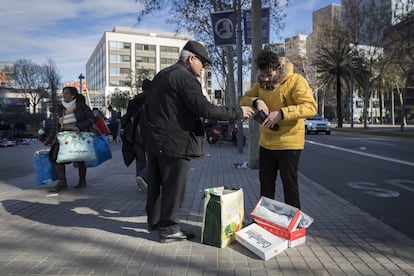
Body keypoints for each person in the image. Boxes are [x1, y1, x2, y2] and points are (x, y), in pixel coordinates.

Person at [140, 40, 254, 243]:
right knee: (174, 185)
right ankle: (169, 229)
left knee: (156, 182)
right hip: (175, 141)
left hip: (154, 139)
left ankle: (155, 222)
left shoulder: (163, 74)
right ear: (191, 58)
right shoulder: (185, 78)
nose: (204, 68)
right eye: (202, 63)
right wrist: (238, 112)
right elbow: (205, 109)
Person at [240, 50, 317, 209]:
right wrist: (256, 101)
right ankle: (264, 222)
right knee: (265, 186)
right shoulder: (260, 84)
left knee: (289, 186)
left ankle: (293, 226)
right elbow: (244, 99)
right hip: (266, 143)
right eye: (262, 75)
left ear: (277, 68)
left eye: (269, 75)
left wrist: (281, 113)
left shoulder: (296, 81)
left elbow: (310, 107)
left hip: (289, 143)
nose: (266, 79)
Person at [44, 86, 95, 193]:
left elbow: (91, 119)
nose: (64, 95)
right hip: (63, 136)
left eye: (66, 93)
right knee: (57, 157)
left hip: (77, 136)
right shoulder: (60, 108)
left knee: (80, 157)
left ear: (72, 95)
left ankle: (82, 180)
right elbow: (55, 126)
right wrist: (49, 140)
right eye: (63, 93)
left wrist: (80, 126)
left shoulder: (81, 106)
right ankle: (62, 182)